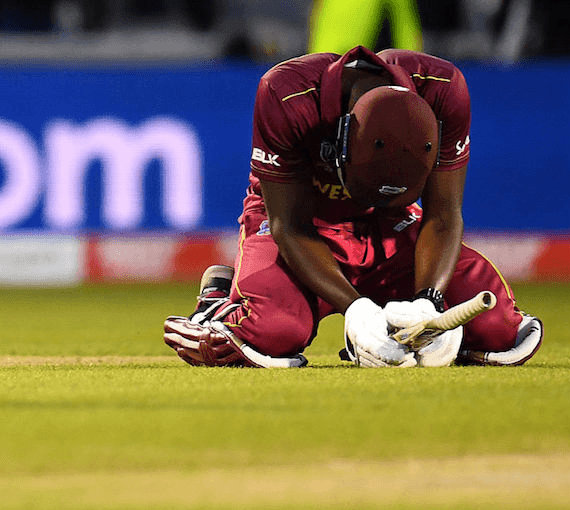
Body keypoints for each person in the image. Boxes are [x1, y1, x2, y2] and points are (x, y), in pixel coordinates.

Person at [163, 45, 543, 368]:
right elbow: (289, 225)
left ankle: (391, 328)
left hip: (391, 225)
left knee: (499, 331)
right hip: (301, 224)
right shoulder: (287, 93)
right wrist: (358, 311)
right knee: (273, 334)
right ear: (339, 142)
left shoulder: (444, 90)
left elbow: (443, 216)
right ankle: (216, 306)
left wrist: (429, 303)